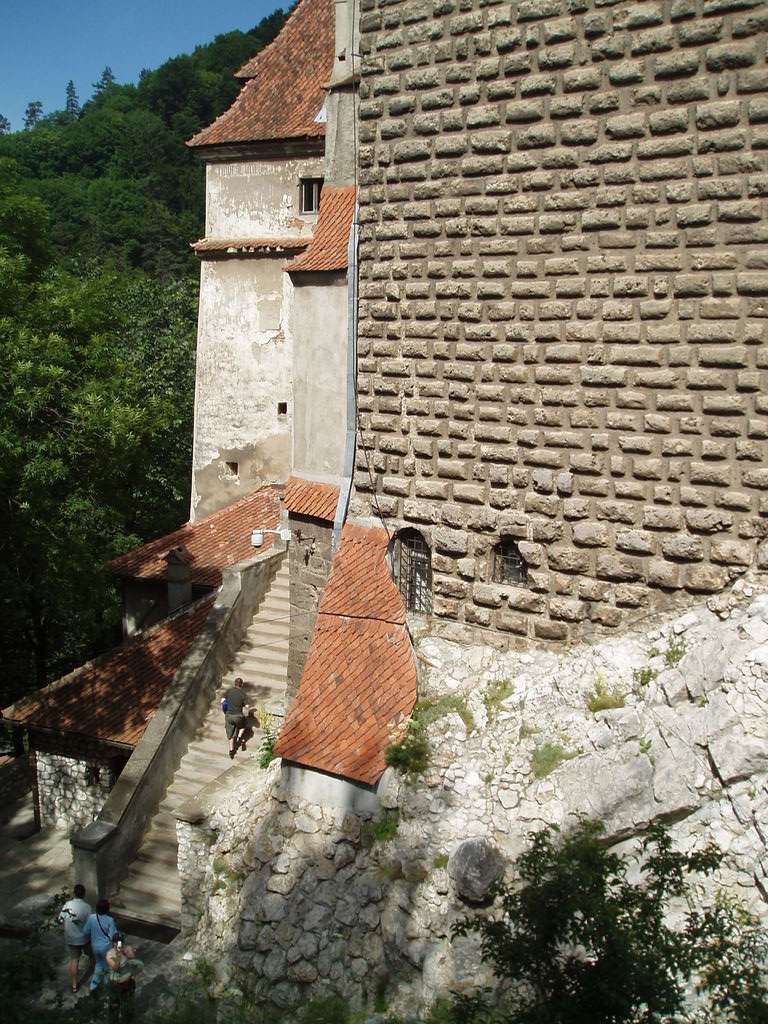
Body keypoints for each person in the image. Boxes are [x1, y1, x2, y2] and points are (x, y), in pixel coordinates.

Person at [59, 883, 93, 992]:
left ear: (74, 893)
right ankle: (97, 971)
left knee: (74, 960)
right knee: (91, 954)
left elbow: (61, 920)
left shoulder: (67, 904)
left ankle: (74, 985)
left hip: (71, 938)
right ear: (84, 894)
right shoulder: (87, 907)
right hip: (84, 938)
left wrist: (67, 930)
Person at [83, 898, 116, 990]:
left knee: (98, 965)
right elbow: (112, 936)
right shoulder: (110, 920)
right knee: (106, 968)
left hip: (95, 947)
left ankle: (93, 986)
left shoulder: (92, 918)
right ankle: (105, 988)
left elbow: (85, 931)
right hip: (106, 947)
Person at [105, 931, 137, 1023]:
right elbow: (115, 968)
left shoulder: (126, 949)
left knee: (128, 1005)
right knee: (114, 1007)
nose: (118, 944)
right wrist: (118, 957)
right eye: (116, 942)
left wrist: (126, 952)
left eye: (120, 942)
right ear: (113, 943)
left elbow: (132, 957)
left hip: (128, 983)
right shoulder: (109, 954)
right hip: (116, 985)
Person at [223, 676, 250, 758]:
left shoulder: (229, 691)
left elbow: (222, 701)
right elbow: (247, 706)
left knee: (230, 734)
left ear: (235, 684)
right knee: (243, 724)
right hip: (238, 716)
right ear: (241, 684)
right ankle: (239, 737)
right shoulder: (243, 694)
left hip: (228, 715)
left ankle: (231, 750)